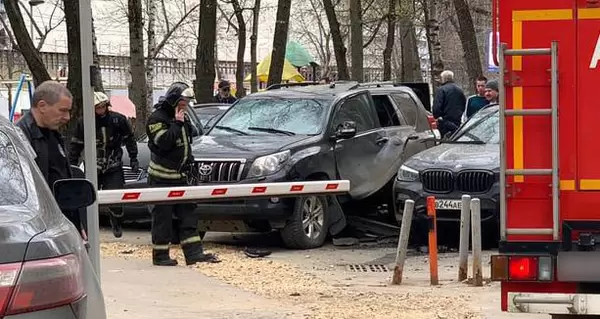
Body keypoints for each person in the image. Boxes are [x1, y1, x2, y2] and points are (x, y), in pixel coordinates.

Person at [146, 81, 220, 266]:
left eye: (187, 101)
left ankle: (194, 254)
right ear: (173, 100)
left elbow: (188, 141)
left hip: (182, 178)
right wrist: (177, 124)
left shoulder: (181, 116)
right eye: (183, 101)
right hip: (162, 179)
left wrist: (190, 165)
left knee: (188, 216)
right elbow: (163, 142)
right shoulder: (157, 118)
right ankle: (161, 256)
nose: (186, 105)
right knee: (162, 219)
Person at [15, 80, 86, 237]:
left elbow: (62, 180)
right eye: (62, 110)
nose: (67, 117)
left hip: (60, 225)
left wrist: (76, 223)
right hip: (37, 230)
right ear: (42, 106)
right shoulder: (19, 138)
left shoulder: (54, 135)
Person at [68, 91, 139, 238]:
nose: (100, 110)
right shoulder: (84, 122)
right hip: (93, 164)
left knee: (115, 196)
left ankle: (116, 221)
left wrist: (133, 158)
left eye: (102, 106)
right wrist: (72, 164)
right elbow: (76, 144)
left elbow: (129, 139)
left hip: (113, 164)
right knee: (89, 196)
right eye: (97, 107)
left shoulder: (118, 120)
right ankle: (88, 226)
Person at [432, 70, 467, 138]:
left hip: (444, 122)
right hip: (457, 121)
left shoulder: (441, 90)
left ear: (443, 79)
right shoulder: (459, 90)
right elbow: (463, 104)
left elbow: (436, 107)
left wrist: (437, 116)